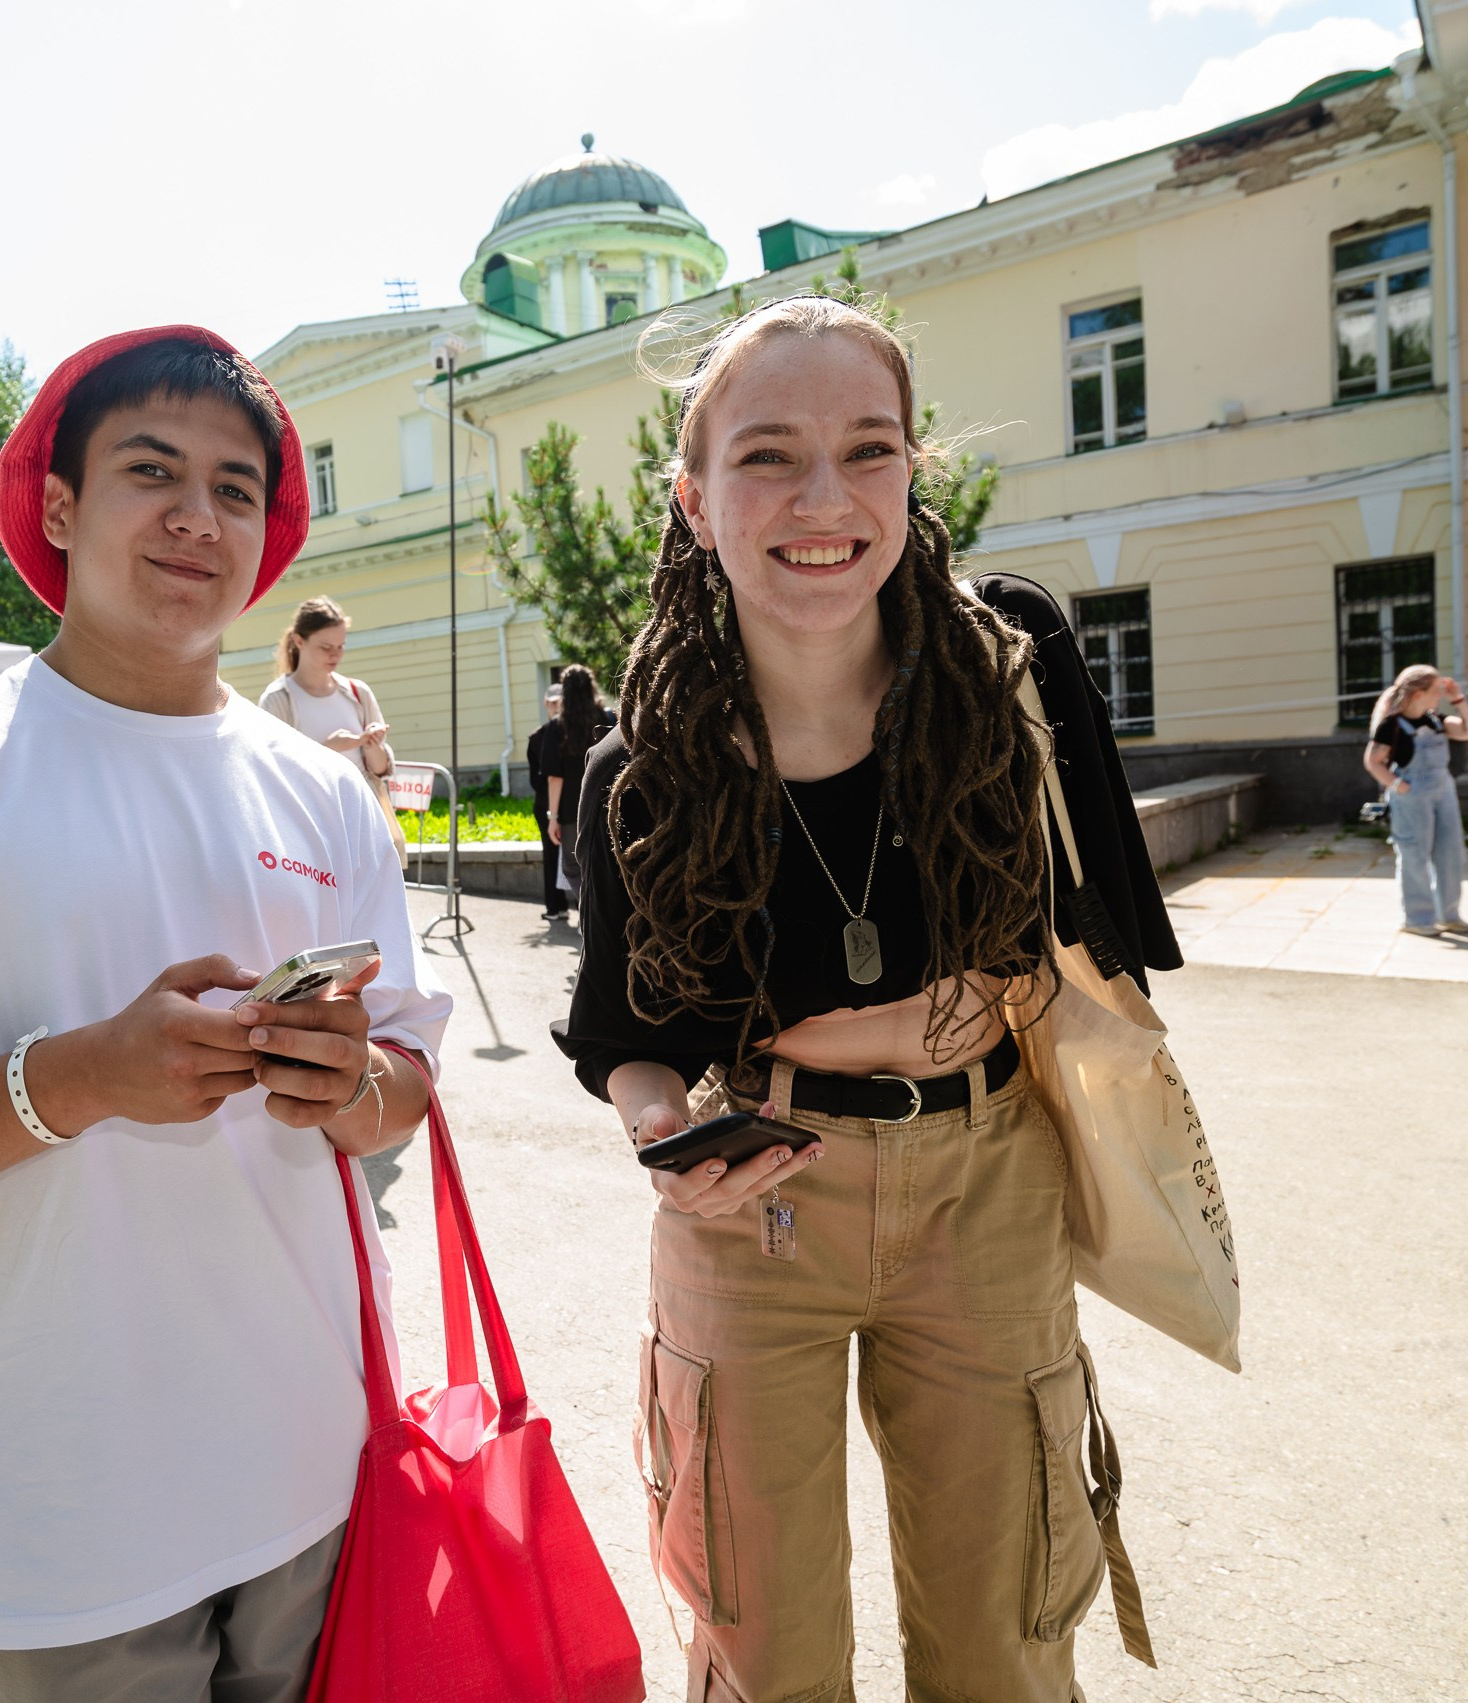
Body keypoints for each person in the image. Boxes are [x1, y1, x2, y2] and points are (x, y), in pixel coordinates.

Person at [0, 327, 450, 1703]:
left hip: (312, 1460)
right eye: (153, 470)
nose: (199, 516)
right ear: (60, 506)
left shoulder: (317, 794)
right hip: (67, 1506)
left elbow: (408, 1082)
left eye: (237, 488)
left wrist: (344, 1084)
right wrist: (77, 1077)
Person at [557, 297, 1179, 1703]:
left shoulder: (1011, 668)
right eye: (768, 455)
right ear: (695, 499)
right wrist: (662, 1134)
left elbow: (1109, 939)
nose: (824, 499)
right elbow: (625, 1038)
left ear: (915, 470)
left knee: (1008, 1636)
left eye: (870, 448)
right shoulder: (638, 767)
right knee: (757, 1643)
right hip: (754, 1204)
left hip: (988, 1183)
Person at [256, 595, 402, 852]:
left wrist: (370, 745)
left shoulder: (358, 693)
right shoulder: (278, 699)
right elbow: (272, 776)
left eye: (341, 646)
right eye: (326, 647)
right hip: (309, 829)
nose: (335, 654)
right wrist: (327, 750)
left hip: (363, 823)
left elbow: (380, 771)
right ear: (299, 641)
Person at [1363, 665, 1468, 937]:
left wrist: (1458, 700)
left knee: (1451, 853)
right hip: (1412, 795)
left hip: (1443, 791)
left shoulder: (1436, 720)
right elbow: (1372, 761)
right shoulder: (1391, 725)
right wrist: (1399, 785)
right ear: (1418, 693)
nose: (1440, 695)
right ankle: (1417, 919)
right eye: (1436, 690)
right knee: (1415, 854)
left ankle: (1448, 915)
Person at [534, 662, 613, 933]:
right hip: (607, 804)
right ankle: (605, 916)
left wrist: (552, 817)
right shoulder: (608, 718)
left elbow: (555, 777)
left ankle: (589, 916)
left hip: (571, 810)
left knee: (573, 866)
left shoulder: (558, 727)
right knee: (607, 862)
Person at [526, 680, 567, 919]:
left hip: (569, 803)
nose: (557, 707)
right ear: (545, 704)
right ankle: (555, 906)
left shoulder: (573, 730)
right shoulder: (537, 737)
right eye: (553, 702)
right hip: (546, 804)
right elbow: (537, 779)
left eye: (561, 702)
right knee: (551, 856)